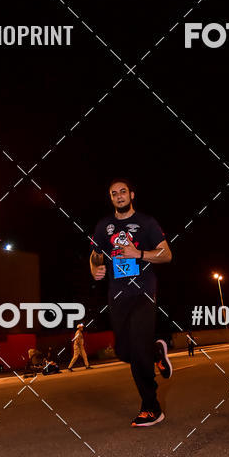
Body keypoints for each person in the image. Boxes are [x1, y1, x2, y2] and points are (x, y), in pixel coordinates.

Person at [90, 178, 173, 427]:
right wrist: (94, 269)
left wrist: (138, 253)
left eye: (123, 192)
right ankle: (156, 350)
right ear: (111, 198)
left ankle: (151, 407)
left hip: (143, 292)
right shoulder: (103, 226)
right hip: (117, 295)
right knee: (124, 351)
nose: (119, 196)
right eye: (114, 193)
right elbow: (94, 256)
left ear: (132, 195)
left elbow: (166, 254)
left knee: (137, 348)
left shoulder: (147, 223)